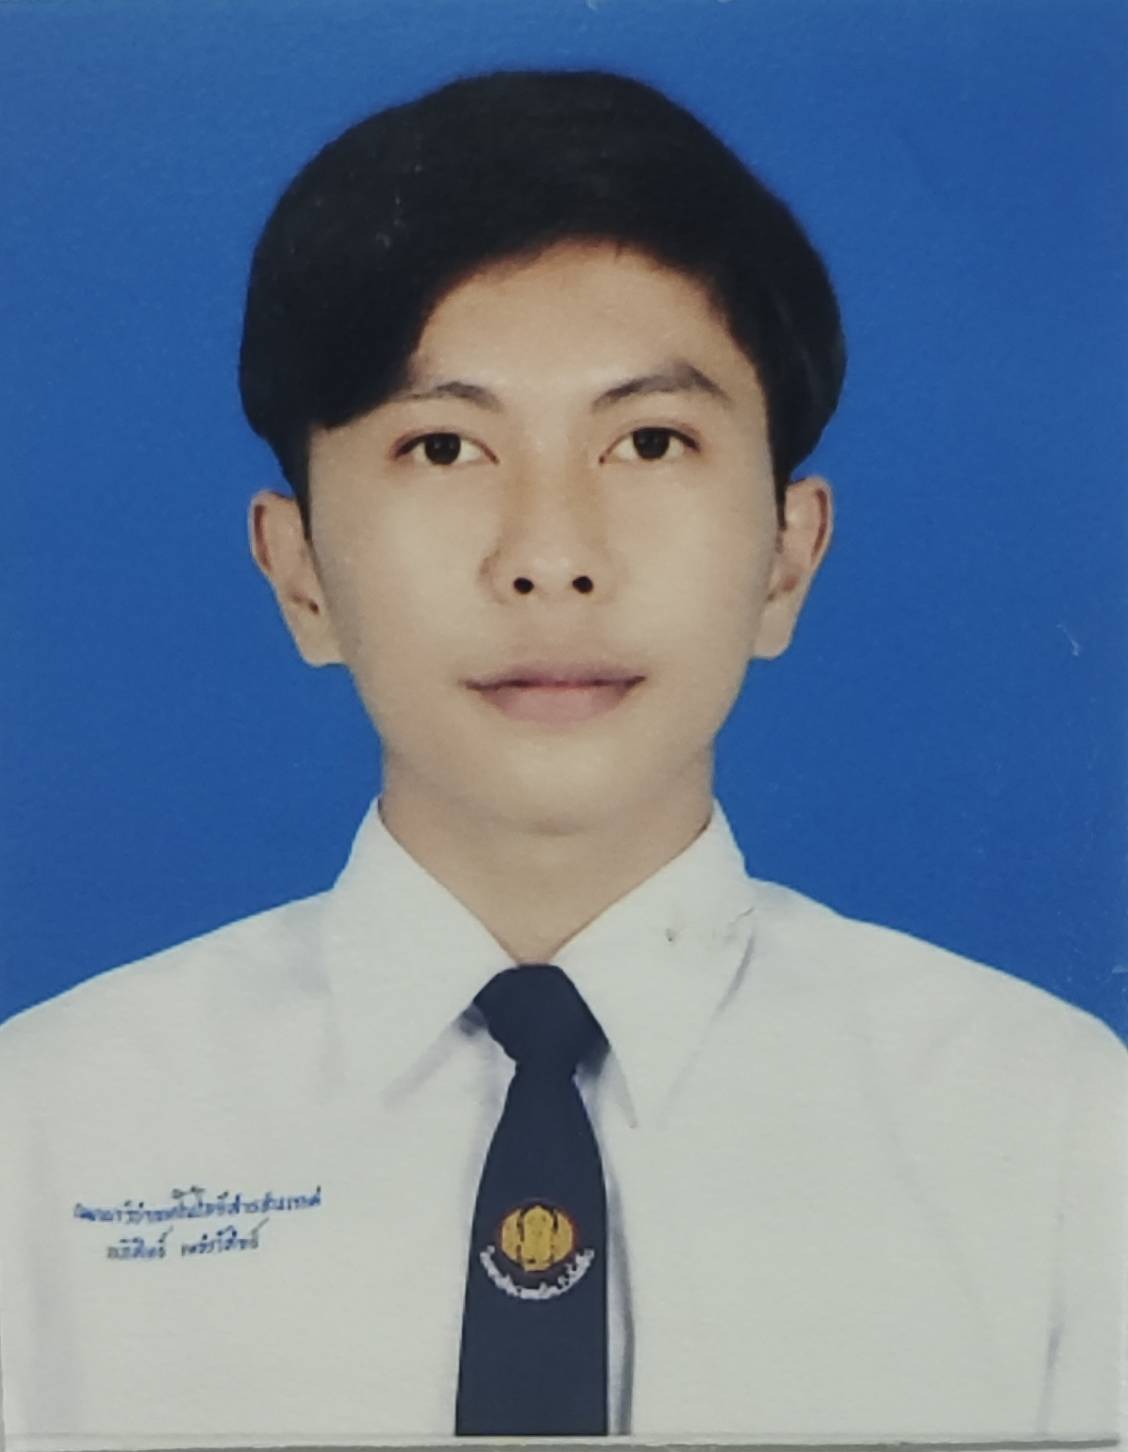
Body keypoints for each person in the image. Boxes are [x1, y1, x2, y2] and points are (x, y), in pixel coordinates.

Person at [0, 68, 1123, 1449]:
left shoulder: (1055, 1133)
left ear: (788, 557)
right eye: (444, 446)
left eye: (649, 441)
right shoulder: (42, 1134)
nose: (549, 556)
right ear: (300, 575)